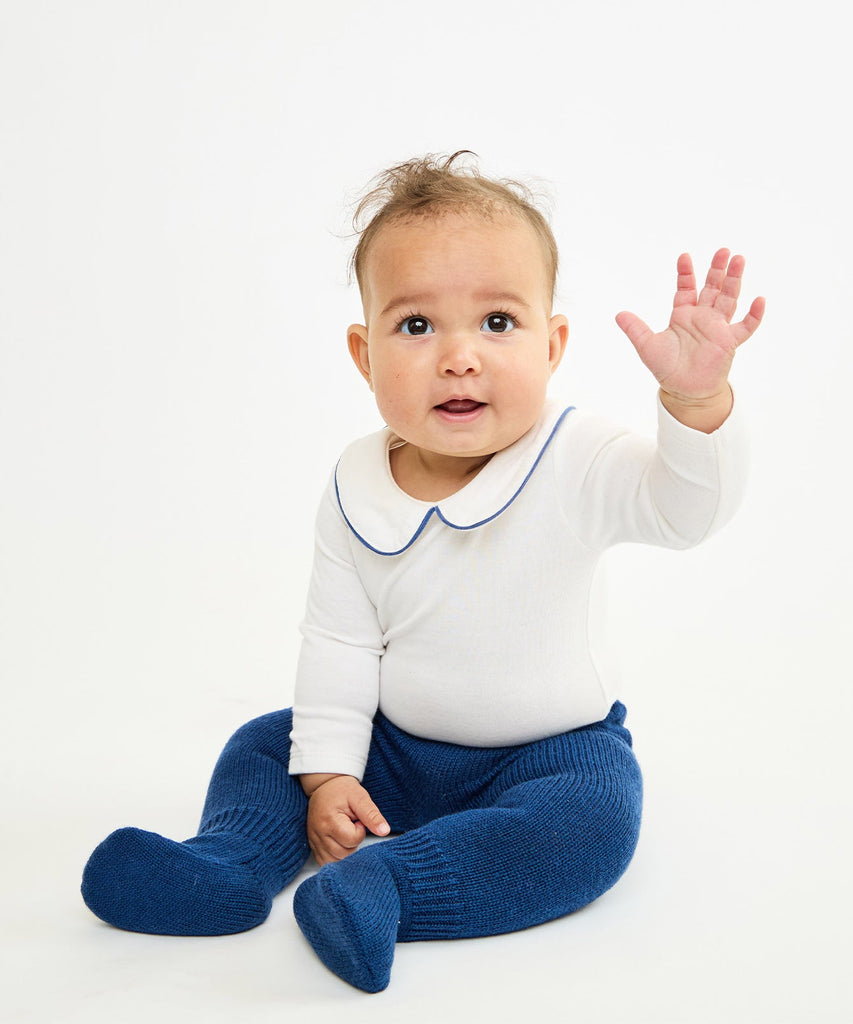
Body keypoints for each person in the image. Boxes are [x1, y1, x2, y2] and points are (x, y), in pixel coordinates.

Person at [81, 152, 765, 993]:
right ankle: (228, 865)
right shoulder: (354, 482)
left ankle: (385, 886)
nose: (458, 357)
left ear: (552, 346)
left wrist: (695, 407)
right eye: (415, 327)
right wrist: (331, 771)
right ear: (363, 356)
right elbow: (336, 636)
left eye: (497, 323)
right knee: (268, 741)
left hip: (551, 755)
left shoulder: (577, 456)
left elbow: (682, 514)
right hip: (394, 751)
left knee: (592, 826)